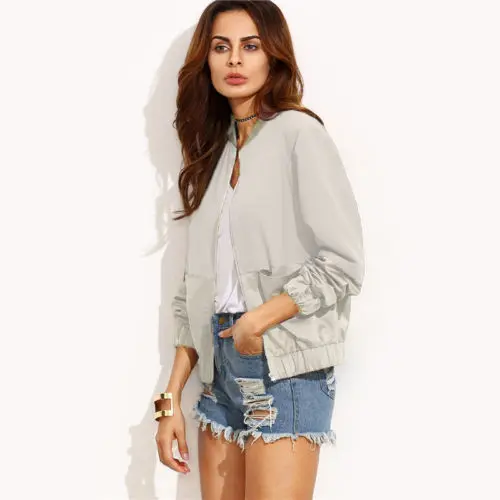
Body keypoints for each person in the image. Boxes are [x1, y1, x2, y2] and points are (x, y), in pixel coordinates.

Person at [155, 1, 365, 498]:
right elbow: (194, 291)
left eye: (250, 46)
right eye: (221, 47)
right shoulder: (214, 152)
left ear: (273, 56)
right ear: (206, 60)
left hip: (283, 365)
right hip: (218, 374)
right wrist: (170, 398)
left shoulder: (299, 134)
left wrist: (258, 321)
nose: (235, 59)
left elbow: (344, 262)